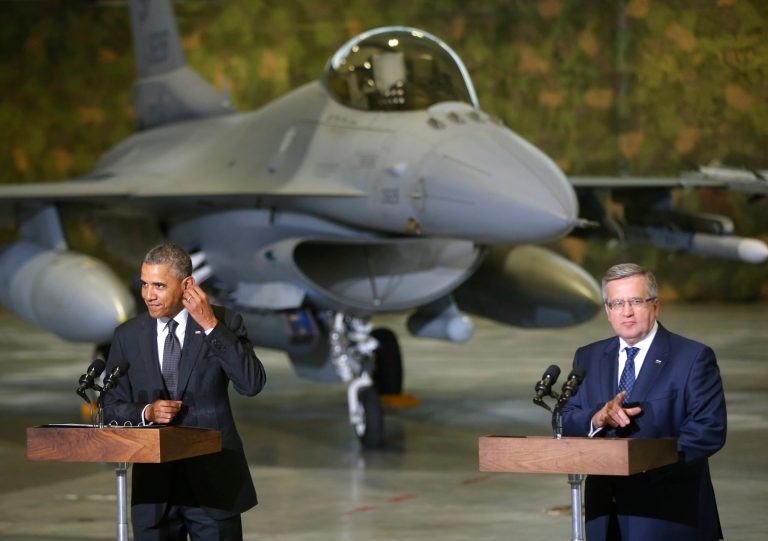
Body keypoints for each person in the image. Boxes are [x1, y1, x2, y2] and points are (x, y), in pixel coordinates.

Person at [103, 243, 266, 541]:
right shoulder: (127, 335)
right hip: (154, 494)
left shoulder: (225, 323)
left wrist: (210, 326)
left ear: (187, 284)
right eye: (144, 284)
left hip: (213, 488)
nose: (148, 295)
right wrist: (146, 412)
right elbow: (110, 405)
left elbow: (251, 384)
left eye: (159, 286)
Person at [561, 263, 726, 540]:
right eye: (617, 303)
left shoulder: (693, 357)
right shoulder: (587, 357)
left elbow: (708, 431)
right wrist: (596, 418)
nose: (626, 312)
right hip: (604, 516)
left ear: (655, 306)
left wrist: (643, 462)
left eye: (636, 301)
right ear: (607, 310)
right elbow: (566, 418)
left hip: (668, 515)